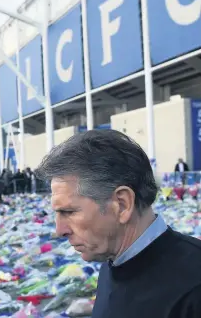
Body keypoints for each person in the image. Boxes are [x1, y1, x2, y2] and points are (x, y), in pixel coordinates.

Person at [34, 129, 201, 318]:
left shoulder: (194, 287)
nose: (59, 230)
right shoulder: (111, 259)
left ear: (122, 204)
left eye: (69, 211)